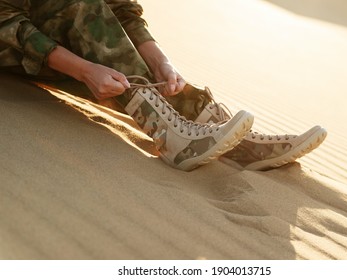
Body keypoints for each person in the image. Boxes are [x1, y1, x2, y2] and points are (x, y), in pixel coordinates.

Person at [0, 0, 326, 171]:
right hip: (11, 45)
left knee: (89, 9)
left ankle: (232, 141)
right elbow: (6, 21)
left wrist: (161, 63)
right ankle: (170, 135)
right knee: (78, 3)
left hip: (45, 37)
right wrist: (85, 70)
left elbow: (122, 12)